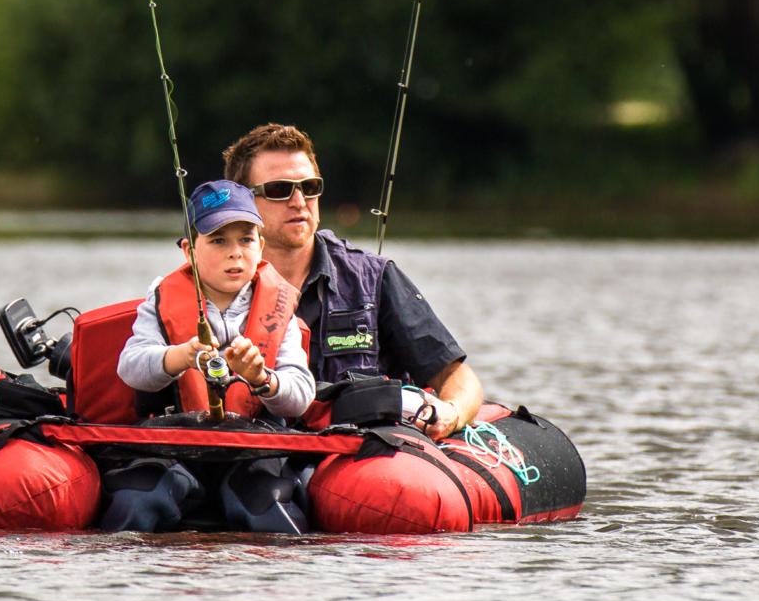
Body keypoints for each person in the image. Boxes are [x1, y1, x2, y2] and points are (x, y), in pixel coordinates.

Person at [222, 123, 483, 440]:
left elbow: (456, 375)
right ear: (242, 203)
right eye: (280, 190)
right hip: (256, 461)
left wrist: (450, 413)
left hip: (357, 461)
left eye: (309, 186)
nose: (299, 200)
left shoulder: (374, 277)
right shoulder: (214, 287)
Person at [108, 179, 315, 533]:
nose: (235, 252)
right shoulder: (159, 300)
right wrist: (180, 357)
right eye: (218, 240)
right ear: (189, 250)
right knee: (135, 502)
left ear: (261, 246)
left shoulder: (281, 309)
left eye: (246, 240)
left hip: (253, 454)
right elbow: (130, 368)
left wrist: (262, 378)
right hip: (173, 450)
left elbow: (300, 397)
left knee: (271, 513)